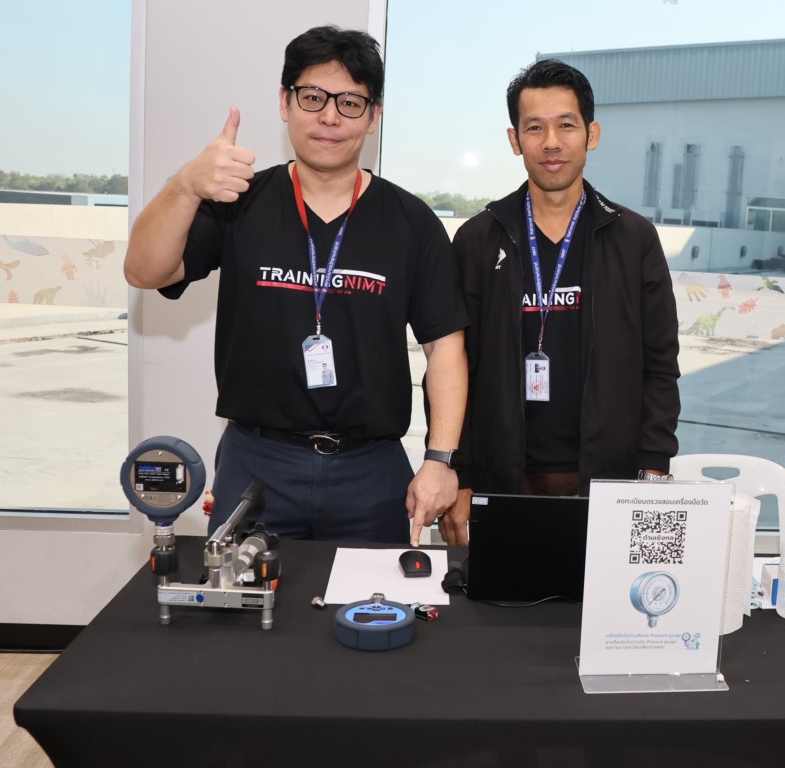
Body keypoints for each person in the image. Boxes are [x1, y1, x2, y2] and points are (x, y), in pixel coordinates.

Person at [124, 26, 467, 545]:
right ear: (285, 103)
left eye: (350, 102)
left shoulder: (411, 221)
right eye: (313, 97)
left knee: (371, 597)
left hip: (371, 471)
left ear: (374, 116)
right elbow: (144, 271)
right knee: (239, 595)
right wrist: (187, 185)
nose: (329, 117)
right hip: (258, 463)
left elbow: (445, 348)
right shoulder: (239, 201)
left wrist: (439, 459)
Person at [443, 59, 680, 545]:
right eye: (535, 127)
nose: (551, 142)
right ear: (515, 140)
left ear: (592, 134)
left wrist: (654, 468)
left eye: (566, 125)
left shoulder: (633, 239)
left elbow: (660, 363)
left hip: (608, 481)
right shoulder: (478, 240)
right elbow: (453, 366)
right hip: (499, 479)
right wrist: (458, 473)